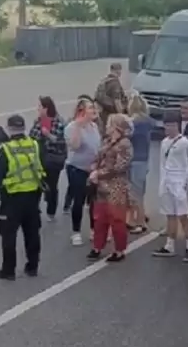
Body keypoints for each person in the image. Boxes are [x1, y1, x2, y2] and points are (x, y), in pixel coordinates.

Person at [0, 114, 47, 281]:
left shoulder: (5, 148)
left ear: (10, 129)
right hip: (33, 196)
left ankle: (8, 270)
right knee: (33, 233)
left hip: (12, 198)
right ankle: (32, 266)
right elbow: (43, 166)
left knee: (8, 235)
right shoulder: (34, 144)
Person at [87, 114, 134, 262]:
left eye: (109, 124)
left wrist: (98, 174)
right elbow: (97, 157)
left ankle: (119, 250)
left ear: (117, 127)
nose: (107, 127)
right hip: (101, 187)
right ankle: (97, 247)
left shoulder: (125, 144)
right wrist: (93, 167)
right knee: (100, 218)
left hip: (116, 187)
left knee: (116, 220)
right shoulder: (106, 141)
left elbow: (119, 167)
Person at [152, 111, 188, 262]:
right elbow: (162, 165)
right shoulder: (164, 142)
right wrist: (162, 185)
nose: (169, 128)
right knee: (170, 215)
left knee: (183, 215)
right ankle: (169, 245)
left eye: (172, 125)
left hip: (178, 182)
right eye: (166, 125)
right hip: (167, 183)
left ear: (178, 125)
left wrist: (184, 184)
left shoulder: (184, 143)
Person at [64, 98, 102, 246]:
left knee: (93, 200)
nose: (94, 110)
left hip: (92, 169)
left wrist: (97, 164)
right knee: (78, 200)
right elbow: (75, 146)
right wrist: (79, 127)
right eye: (91, 108)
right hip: (77, 169)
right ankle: (76, 232)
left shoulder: (94, 126)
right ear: (82, 111)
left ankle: (94, 229)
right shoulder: (71, 127)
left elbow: (97, 147)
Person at [29, 96, 68, 222]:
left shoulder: (59, 121)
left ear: (46, 108)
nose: (38, 109)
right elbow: (31, 136)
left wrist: (48, 135)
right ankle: (34, 208)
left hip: (53, 159)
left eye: (40, 106)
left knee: (51, 186)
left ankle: (51, 210)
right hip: (39, 157)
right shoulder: (38, 120)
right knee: (36, 185)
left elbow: (62, 141)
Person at [127, 92, 155, 233]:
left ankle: (140, 222)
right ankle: (141, 217)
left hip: (134, 160)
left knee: (135, 193)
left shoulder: (132, 123)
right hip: (145, 160)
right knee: (141, 192)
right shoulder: (149, 122)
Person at [94, 62, 128, 129]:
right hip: (112, 114)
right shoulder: (115, 83)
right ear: (118, 70)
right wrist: (121, 115)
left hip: (103, 112)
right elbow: (117, 101)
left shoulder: (104, 81)